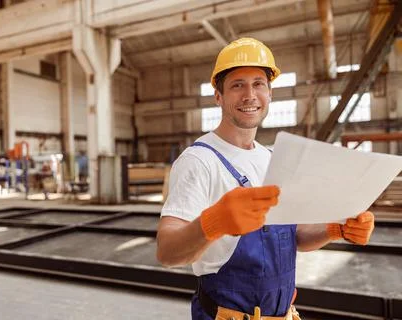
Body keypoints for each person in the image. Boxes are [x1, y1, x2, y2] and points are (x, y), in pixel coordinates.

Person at [156, 37, 375, 320]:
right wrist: (214, 222)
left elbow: (293, 236)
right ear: (218, 96)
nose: (250, 95)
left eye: (258, 84)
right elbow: (167, 251)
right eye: (237, 85)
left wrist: (336, 229)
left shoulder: (273, 158)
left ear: (269, 93)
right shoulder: (199, 161)